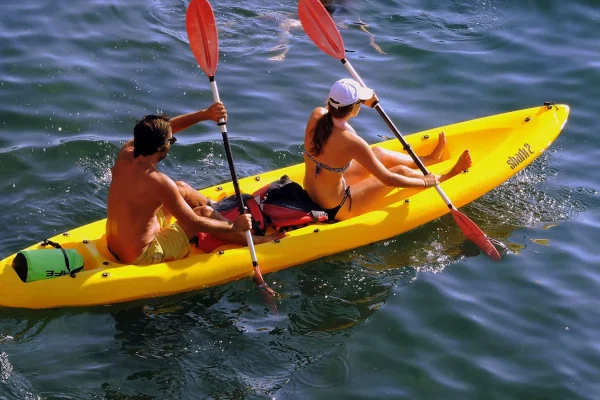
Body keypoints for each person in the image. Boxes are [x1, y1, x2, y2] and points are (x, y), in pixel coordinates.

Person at [106, 103, 285, 265]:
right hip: (142, 255)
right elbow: (195, 222)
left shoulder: (126, 153)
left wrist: (205, 114)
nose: (172, 142)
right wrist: (234, 226)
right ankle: (251, 239)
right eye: (171, 141)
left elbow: (168, 129)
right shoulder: (159, 182)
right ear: (161, 148)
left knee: (181, 188)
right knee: (204, 213)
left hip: (115, 243)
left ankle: (219, 210)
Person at [303, 78, 473, 221]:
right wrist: (424, 182)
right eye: (360, 102)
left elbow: (335, 116)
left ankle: (429, 159)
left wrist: (361, 100)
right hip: (337, 207)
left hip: (312, 193)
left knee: (378, 153)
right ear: (354, 106)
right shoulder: (353, 142)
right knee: (400, 171)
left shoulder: (317, 114)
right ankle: (443, 177)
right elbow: (388, 179)